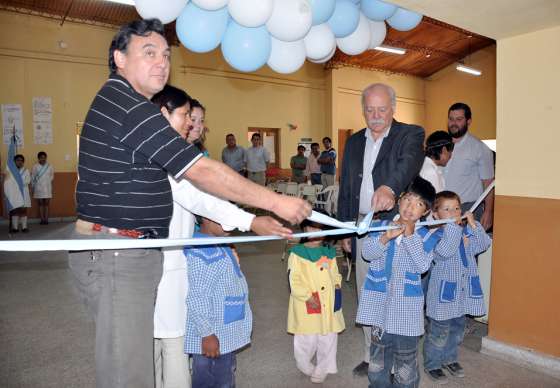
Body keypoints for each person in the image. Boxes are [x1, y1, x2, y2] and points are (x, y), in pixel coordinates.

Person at [69, 19, 310, 388]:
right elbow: (199, 176)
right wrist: (274, 202)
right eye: (148, 53)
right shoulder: (129, 105)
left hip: (134, 249)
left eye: (165, 54)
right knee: (127, 371)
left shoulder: (129, 104)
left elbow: (191, 191)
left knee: (146, 355)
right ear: (119, 58)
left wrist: (249, 219)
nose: (161, 62)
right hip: (119, 253)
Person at [151, 84, 288, 388]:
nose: (192, 125)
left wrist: (230, 236)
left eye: (196, 119)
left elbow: (210, 203)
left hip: (180, 251)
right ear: (164, 114)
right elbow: (204, 202)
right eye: (187, 116)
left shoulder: (178, 153)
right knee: (168, 347)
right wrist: (253, 218)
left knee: (170, 344)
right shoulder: (164, 158)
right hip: (162, 262)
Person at [337, 83, 425, 376]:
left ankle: (398, 353)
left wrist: (389, 187)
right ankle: (372, 352)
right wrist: (346, 232)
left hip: (396, 227)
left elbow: (409, 162)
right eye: (369, 109)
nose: (375, 116)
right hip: (364, 226)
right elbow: (347, 187)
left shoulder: (409, 134)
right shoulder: (353, 142)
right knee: (367, 293)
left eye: (382, 109)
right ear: (363, 110)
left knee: (398, 293)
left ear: (393, 108)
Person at [355, 177, 436, 388]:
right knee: (378, 359)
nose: (410, 207)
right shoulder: (380, 226)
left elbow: (422, 266)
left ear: (425, 212)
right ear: (399, 201)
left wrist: (410, 237)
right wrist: (384, 238)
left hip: (407, 312)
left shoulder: (426, 236)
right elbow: (367, 253)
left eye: (419, 204)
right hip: (379, 310)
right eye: (408, 200)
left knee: (406, 361)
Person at [423, 191, 492, 383]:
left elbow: (484, 244)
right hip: (443, 298)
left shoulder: (465, 232)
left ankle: (450, 359)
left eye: (457, 208)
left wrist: (474, 225)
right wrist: (455, 229)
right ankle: (433, 363)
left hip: (461, 296)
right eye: (447, 209)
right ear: (435, 215)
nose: (454, 212)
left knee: (456, 332)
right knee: (439, 333)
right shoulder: (435, 235)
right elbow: (445, 251)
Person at [184, 217, 252, 388]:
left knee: (225, 375)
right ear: (206, 218)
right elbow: (198, 296)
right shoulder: (203, 253)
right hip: (213, 336)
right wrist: (206, 333)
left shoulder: (219, 243)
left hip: (224, 332)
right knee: (213, 379)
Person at [287, 217, 345, 384]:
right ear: (304, 229)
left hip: (329, 300)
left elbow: (335, 273)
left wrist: (337, 284)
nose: (316, 233)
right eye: (311, 228)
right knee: (306, 337)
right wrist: (306, 296)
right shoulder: (297, 253)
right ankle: (303, 363)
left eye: (320, 229)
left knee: (328, 336)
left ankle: (323, 367)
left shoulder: (329, 252)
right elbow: (294, 280)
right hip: (308, 301)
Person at [444, 102, 494, 230]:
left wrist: (488, 212)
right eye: (451, 119)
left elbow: (488, 183)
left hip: (468, 209)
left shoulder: (480, 148)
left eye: (459, 119)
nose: (453, 123)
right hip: (441, 210)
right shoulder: (440, 144)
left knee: (468, 248)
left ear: (469, 121)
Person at [4, 154, 31, 232]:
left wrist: (19, 183)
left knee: (23, 210)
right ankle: (15, 228)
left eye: (21, 161)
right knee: (15, 210)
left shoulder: (26, 170)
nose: (20, 162)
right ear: (14, 162)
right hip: (14, 193)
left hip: (24, 192)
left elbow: (28, 180)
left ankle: (24, 227)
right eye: (18, 160)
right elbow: (8, 181)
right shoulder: (11, 171)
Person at [31, 151, 54, 225]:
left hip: (47, 187)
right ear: (38, 158)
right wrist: (34, 186)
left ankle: (46, 219)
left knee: (47, 204)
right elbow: (33, 177)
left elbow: (52, 176)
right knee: (40, 204)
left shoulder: (50, 166)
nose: (43, 159)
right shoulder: (35, 166)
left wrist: (46, 182)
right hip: (38, 188)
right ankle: (42, 219)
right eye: (41, 158)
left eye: (44, 158)